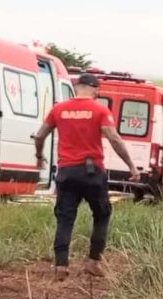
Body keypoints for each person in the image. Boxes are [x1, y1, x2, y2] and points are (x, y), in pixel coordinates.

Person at [34, 74, 139, 282]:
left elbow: (40, 136)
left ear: (77, 87)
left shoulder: (58, 109)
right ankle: (93, 262)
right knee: (102, 214)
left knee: (65, 218)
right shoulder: (100, 110)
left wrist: (39, 157)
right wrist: (131, 166)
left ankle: (61, 265)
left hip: (66, 172)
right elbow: (114, 138)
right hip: (92, 173)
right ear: (95, 90)